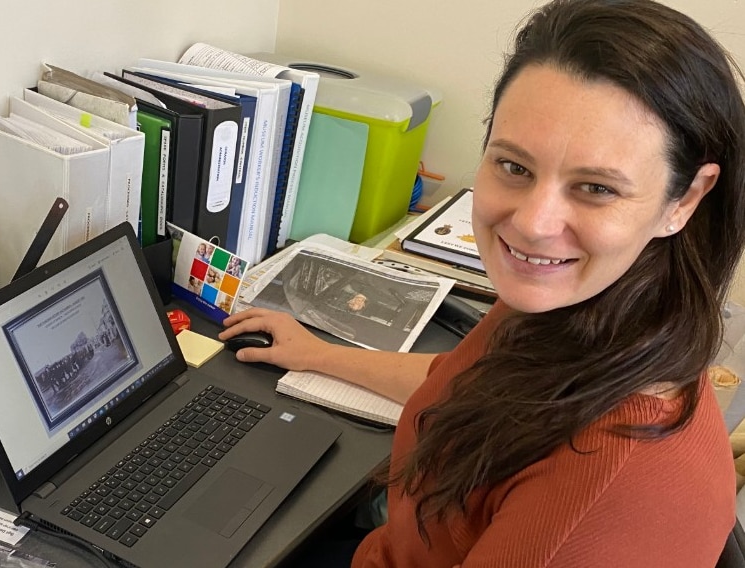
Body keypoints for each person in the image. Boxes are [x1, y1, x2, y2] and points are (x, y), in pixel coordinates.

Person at [219, 0, 745, 565]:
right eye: (515, 167)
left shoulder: (598, 496)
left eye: (596, 188)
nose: (531, 224)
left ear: (685, 198)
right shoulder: (588, 310)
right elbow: (463, 382)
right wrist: (318, 355)